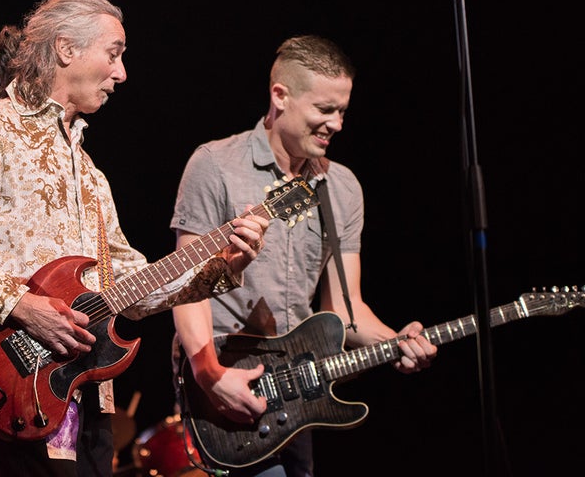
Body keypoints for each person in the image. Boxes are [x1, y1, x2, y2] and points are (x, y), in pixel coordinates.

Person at [0, 0, 268, 477]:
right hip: (17, 385)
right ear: (65, 49)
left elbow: (132, 289)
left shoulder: (91, 174)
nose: (122, 74)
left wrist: (223, 263)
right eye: (113, 54)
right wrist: (21, 305)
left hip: (90, 391)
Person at [170, 34, 438, 477]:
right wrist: (209, 376)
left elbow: (345, 311)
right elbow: (185, 288)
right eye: (325, 110)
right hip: (227, 384)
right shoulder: (215, 165)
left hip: (298, 396)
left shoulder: (343, 187)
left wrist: (398, 341)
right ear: (280, 96)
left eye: (343, 111)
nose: (337, 124)